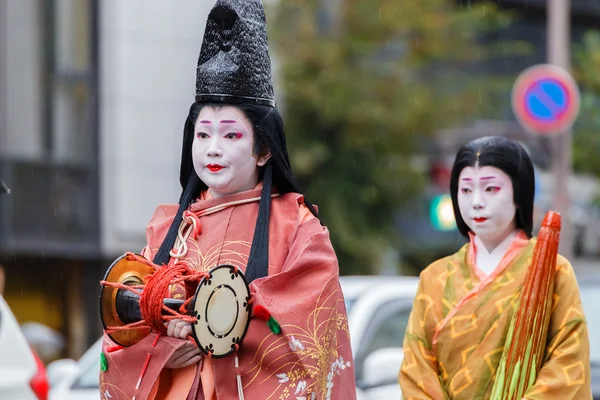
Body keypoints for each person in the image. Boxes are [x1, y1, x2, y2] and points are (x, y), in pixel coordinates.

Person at [99, 0, 355, 399]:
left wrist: (213, 329)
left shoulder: (299, 229)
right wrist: (165, 344)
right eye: (203, 135)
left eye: (231, 135)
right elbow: (123, 329)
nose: (212, 150)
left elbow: (312, 333)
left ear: (264, 149)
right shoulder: (169, 230)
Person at [399, 136, 591, 399]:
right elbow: (416, 371)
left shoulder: (553, 270)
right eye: (466, 190)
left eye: (491, 189)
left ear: (519, 195)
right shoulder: (434, 277)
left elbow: (568, 365)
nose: (476, 201)